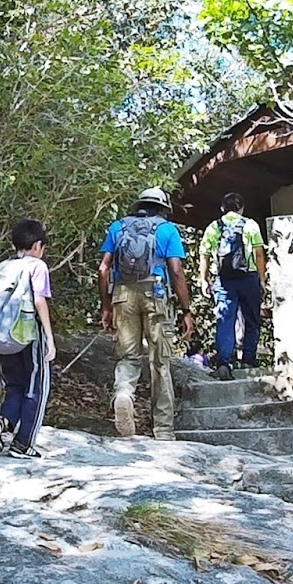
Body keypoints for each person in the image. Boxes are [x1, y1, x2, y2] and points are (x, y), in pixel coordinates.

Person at [97, 187, 193, 441]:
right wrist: (186, 310)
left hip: (122, 295)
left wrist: (106, 305)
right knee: (160, 361)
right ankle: (163, 429)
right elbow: (176, 270)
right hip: (156, 294)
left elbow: (103, 268)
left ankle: (124, 395)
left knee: (128, 356)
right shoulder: (167, 230)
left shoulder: (118, 227)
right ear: (163, 207)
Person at [0, 218, 56, 459]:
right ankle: (23, 444)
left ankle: (4, 421)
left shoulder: (4, 266)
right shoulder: (37, 266)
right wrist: (49, 336)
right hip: (28, 335)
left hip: (2, 335)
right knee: (37, 387)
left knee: (15, 384)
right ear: (37, 245)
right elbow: (39, 300)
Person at [198, 191, 268, 380]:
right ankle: (248, 360)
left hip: (223, 280)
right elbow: (259, 253)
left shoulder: (214, 227)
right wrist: (262, 280)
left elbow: (204, 254)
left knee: (224, 320)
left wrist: (203, 279)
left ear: (223, 208)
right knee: (252, 320)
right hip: (249, 278)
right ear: (242, 208)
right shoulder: (250, 225)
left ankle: (223, 364)